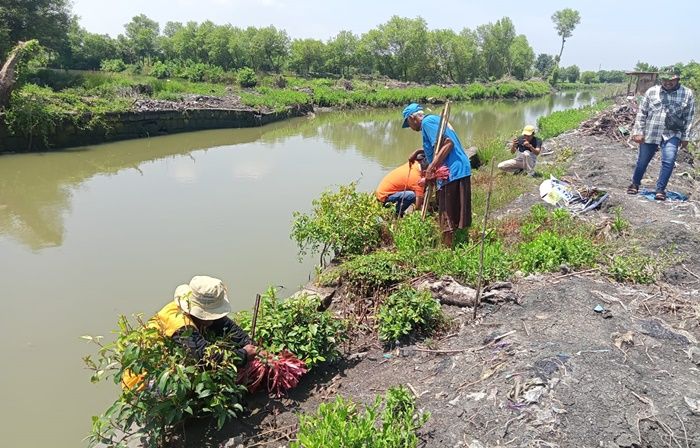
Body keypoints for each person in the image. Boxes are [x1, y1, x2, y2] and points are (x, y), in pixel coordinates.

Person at [122, 275, 257, 390]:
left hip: (170, 362)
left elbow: (226, 326)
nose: (212, 319)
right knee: (198, 376)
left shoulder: (194, 310)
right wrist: (243, 355)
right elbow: (205, 359)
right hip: (144, 382)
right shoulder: (180, 325)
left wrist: (250, 344)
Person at [403, 103, 472, 246]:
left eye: (408, 123)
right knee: (457, 211)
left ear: (412, 118)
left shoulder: (427, 123)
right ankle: (460, 242)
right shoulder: (433, 120)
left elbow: (448, 144)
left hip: (451, 171)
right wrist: (418, 152)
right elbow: (436, 147)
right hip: (459, 168)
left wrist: (430, 169)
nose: (410, 127)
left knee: (446, 213)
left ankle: (447, 250)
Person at [628, 67, 695, 201]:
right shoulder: (652, 92)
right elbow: (642, 113)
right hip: (651, 131)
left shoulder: (687, 93)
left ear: (677, 79)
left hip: (673, 133)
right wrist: (638, 132)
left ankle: (660, 190)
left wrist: (686, 137)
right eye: (664, 80)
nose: (667, 82)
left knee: (669, 161)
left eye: (671, 80)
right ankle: (635, 184)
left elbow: (689, 117)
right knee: (642, 161)